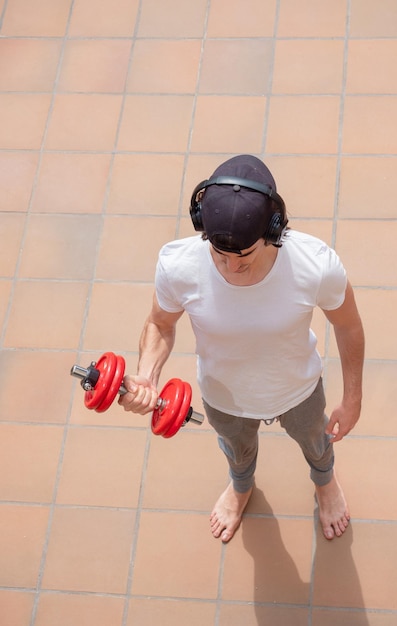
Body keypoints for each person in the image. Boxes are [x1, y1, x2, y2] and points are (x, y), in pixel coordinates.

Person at [119, 155, 365, 542]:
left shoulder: (315, 265)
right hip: (224, 396)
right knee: (236, 451)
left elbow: (348, 326)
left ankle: (325, 482)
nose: (231, 269)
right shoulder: (178, 264)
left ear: (273, 229)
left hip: (298, 390)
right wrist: (147, 377)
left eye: (244, 258)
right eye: (220, 256)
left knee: (317, 444)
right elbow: (160, 324)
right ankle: (241, 487)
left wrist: (352, 399)